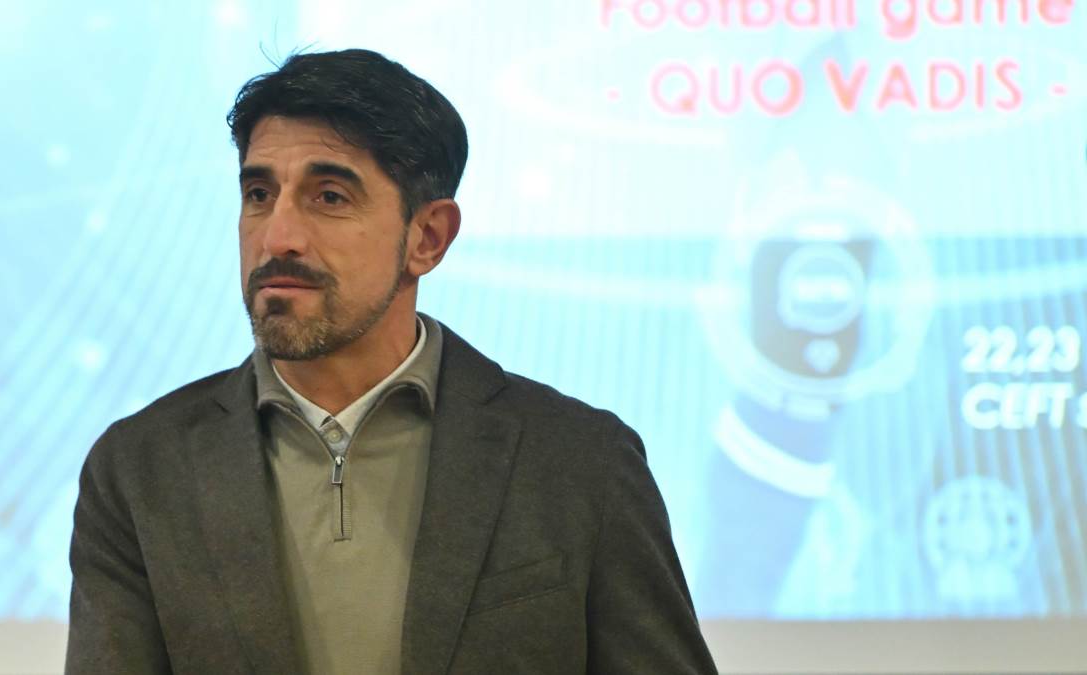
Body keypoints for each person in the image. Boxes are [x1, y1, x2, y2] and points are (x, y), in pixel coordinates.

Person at [66, 48, 716, 675]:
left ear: (427, 237)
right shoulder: (140, 470)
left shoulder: (580, 462)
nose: (277, 237)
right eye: (259, 193)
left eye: (329, 197)